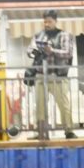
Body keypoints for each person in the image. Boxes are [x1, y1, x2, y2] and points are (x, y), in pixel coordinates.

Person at [27, 9, 75, 139]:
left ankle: (69, 130)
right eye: (45, 22)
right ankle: (41, 131)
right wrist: (35, 52)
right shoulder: (38, 35)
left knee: (63, 104)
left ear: (55, 21)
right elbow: (29, 50)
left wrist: (51, 51)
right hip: (40, 75)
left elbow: (68, 53)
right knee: (40, 105)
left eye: (49, 21)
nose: (47, 24)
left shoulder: (64, 35)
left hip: (57, 75)